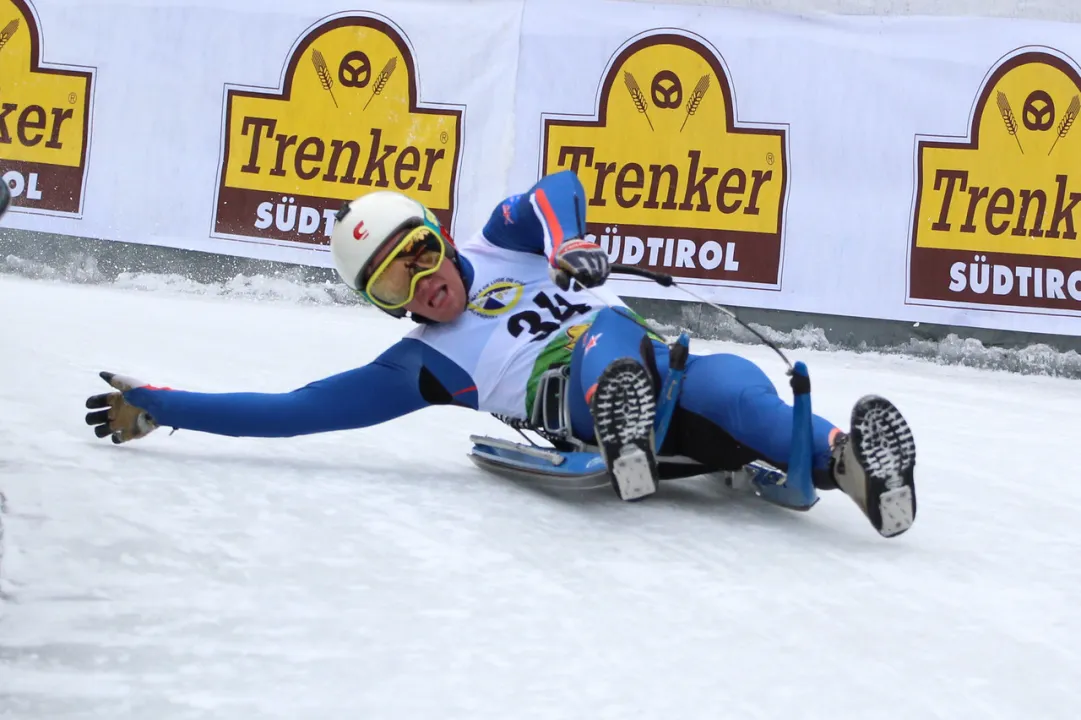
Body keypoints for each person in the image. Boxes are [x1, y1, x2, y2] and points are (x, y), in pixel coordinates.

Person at [84, 170, 917, 538]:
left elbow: (557, 188)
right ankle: (618, 423)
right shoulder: (422, 366)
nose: (420, 286)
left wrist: (570, 246)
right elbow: (293, 411)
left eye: (416, 253)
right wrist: (169, 403)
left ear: (439, 235)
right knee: (601, 345)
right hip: (580, 402)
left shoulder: (507, 241)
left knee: (735, 384)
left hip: (671, 388)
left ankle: (852, 469)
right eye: (390, 287)